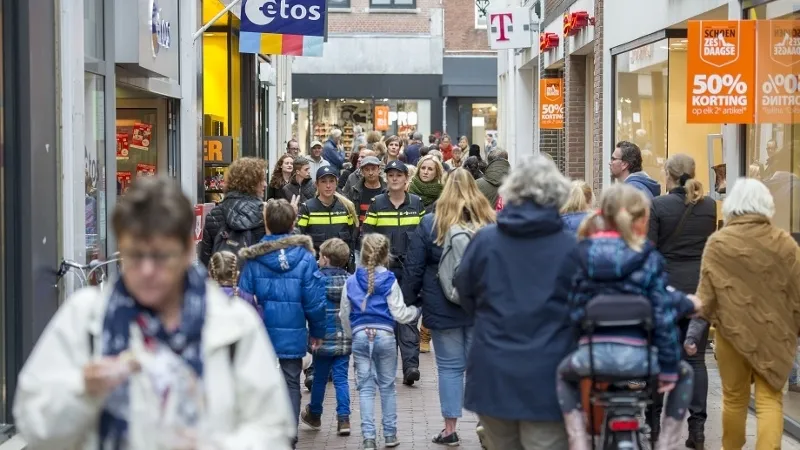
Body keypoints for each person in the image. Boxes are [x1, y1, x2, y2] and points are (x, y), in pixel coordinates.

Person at [14, 177, 295, 449]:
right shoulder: (85, 319)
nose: (147, 270)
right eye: (135, 254)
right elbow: (34, 426)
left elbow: (272, 430)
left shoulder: (234, 326)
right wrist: (83, 389)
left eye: (161, 255)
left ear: (187, 249)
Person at [554, 183, 698, 450]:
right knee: (685, 373)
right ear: (640, 219)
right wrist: (667, 369)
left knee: (563, 375)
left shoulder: (579, 256)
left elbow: (569, 312)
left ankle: (578, 439)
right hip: (641, 368)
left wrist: (575, 347)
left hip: (592, 362)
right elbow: (663, 316)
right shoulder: (648, 258)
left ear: (601, 214)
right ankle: (666, 443)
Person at [455, 155, 578, 450]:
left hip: (494, 370)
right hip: (550, 375)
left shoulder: (485, 242)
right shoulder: (572, 248)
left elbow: (465, 291)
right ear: (557, 195)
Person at [693, 178, 800, 449]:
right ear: (766, 204)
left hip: (732, 334)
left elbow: (706, 298)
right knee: (770, 399)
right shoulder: (785, 244)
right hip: (775, 335)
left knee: (734, 398)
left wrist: (695, 332)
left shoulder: (718, 243)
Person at [403, 168, 496, 446]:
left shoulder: (432, 223)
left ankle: (450, 429)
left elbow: (414, 266)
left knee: (449, 368)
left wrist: (410, 301)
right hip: (481, 306)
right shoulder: (489, 222)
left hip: (442, 305)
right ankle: (487, 424)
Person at [238, 199, 328, 448]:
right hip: (294, 329)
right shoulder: (305, 258)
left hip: (261, 333)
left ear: (266, 224)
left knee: (260, 380)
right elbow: (314, 301)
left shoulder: (255, 259)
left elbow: (244, 299)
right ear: (292, 224)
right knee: (291, 380)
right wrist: (317, 331)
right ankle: (289, 431)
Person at [646, 154, 717, 448]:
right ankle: (697, 429)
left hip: (667, 289)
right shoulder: (710, 206)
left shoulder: (658, 205)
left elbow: (650, 250)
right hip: (699, 289)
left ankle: (653, 423)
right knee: (696, 358)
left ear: (668, 175)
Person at [340, 233, 421, 450]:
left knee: (365, 389)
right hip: (385, 335)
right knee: (387, 387)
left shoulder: (351, 281)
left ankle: (368, 437)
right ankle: (390, 434)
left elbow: (344, 314)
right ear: (386, 255)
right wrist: (416, 310)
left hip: (360, 335)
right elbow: (399, 313)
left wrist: (351, 335)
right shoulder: (389, 280)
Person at [362, 160, 426, 386]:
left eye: (399, 175)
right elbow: (366, 237)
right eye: (391, 175)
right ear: (386, 178)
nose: (395, 178)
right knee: (385, 319)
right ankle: (385, 367)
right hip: (384, 271)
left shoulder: (416, 204)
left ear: (406, 179)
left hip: (410, 270)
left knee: (408, 318)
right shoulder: (377, 204)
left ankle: (411, 366)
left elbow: (424, 238)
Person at [300, 238, 353, 437]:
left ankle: (315, 413)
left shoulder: (316, 279)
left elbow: (310, 307)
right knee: (341, 378)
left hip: (321, 337)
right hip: (344, 337)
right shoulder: (350, 280)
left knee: (320, 378)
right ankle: (344, 418)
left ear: (325, 259)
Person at [199, 157, 268, 266]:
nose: (265, 184)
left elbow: (205, 260)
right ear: (251, 183)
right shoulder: (265, 214)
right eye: (262, 180)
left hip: (224, 279)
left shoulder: (214, 215)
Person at [297, 166, 359, 267]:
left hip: (341, 268)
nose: (328, 185)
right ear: (316, 184)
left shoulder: (345, 208)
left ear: (336, 183)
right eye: (323, 182)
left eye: (331, 181)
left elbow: (351, 239)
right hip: (315, 268)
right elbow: (300, 238)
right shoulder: (307, 208)